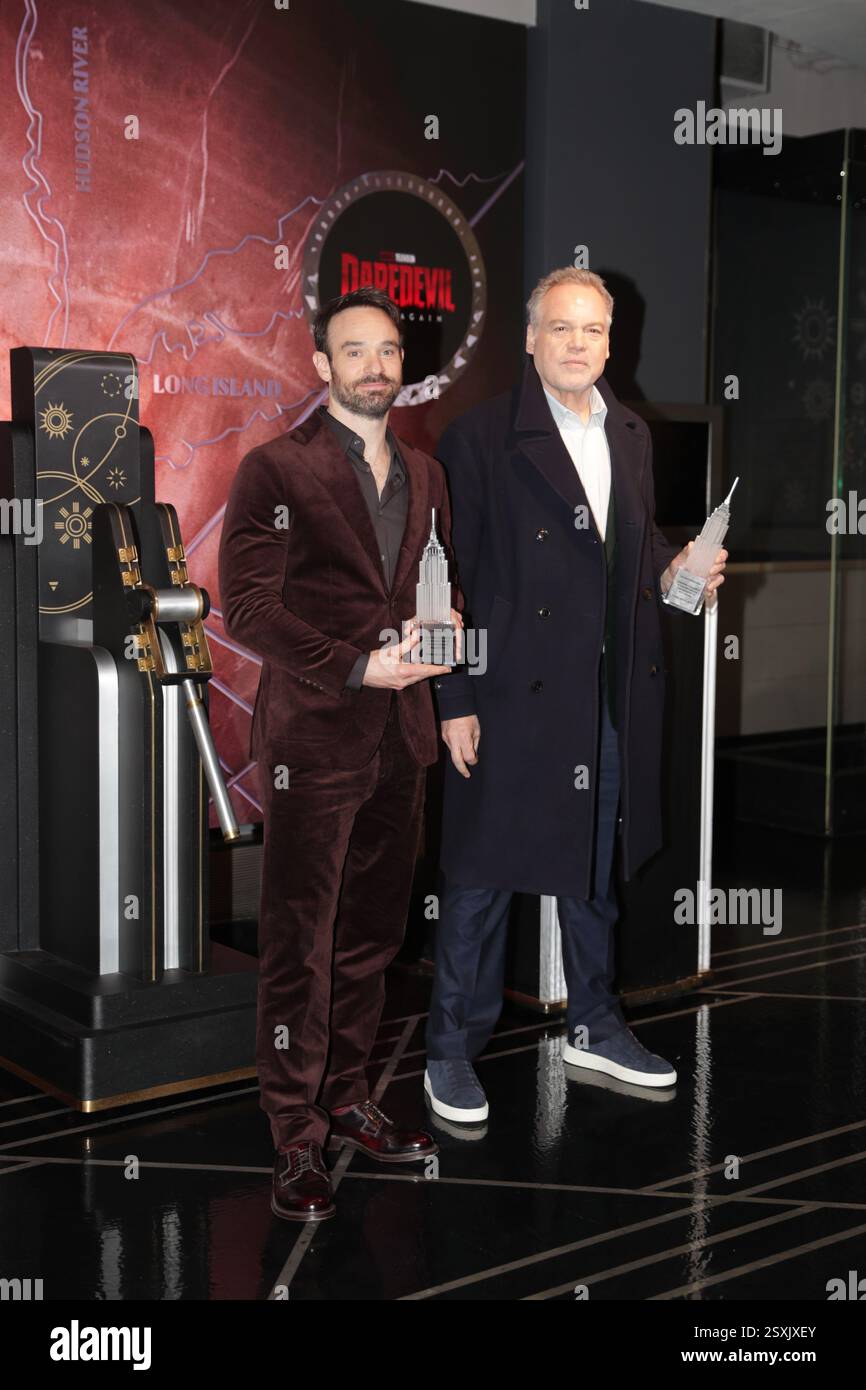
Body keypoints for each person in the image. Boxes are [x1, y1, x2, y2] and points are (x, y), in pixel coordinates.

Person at [425, 267, 727, 1122]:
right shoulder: (479, 437)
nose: (579, 344)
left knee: (594, 869)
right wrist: (453, 698)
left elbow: (638, 557)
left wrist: (682, 575)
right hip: (508, 693)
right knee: (481, 877)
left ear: (609, 342)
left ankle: (594, 1022)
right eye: (562, 328)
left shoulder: (629, 432)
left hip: (605, 694)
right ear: (529, 339)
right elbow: (446, 578)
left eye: (594, 331)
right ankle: (449, 1049)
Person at [219, 287, 461, 1220]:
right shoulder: (274, 468)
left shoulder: (428, 474)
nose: (374, 367)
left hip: (402, 739)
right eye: (354, 352)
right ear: (321, 367)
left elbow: (436, 583)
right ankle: (294, 1135)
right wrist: (359, 666)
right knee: (297, 945)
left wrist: (443, 634)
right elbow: (250, 611)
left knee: (371, 938)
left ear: (403, 366)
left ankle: (351, 1097)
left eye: (389, 351)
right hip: (314, 740)